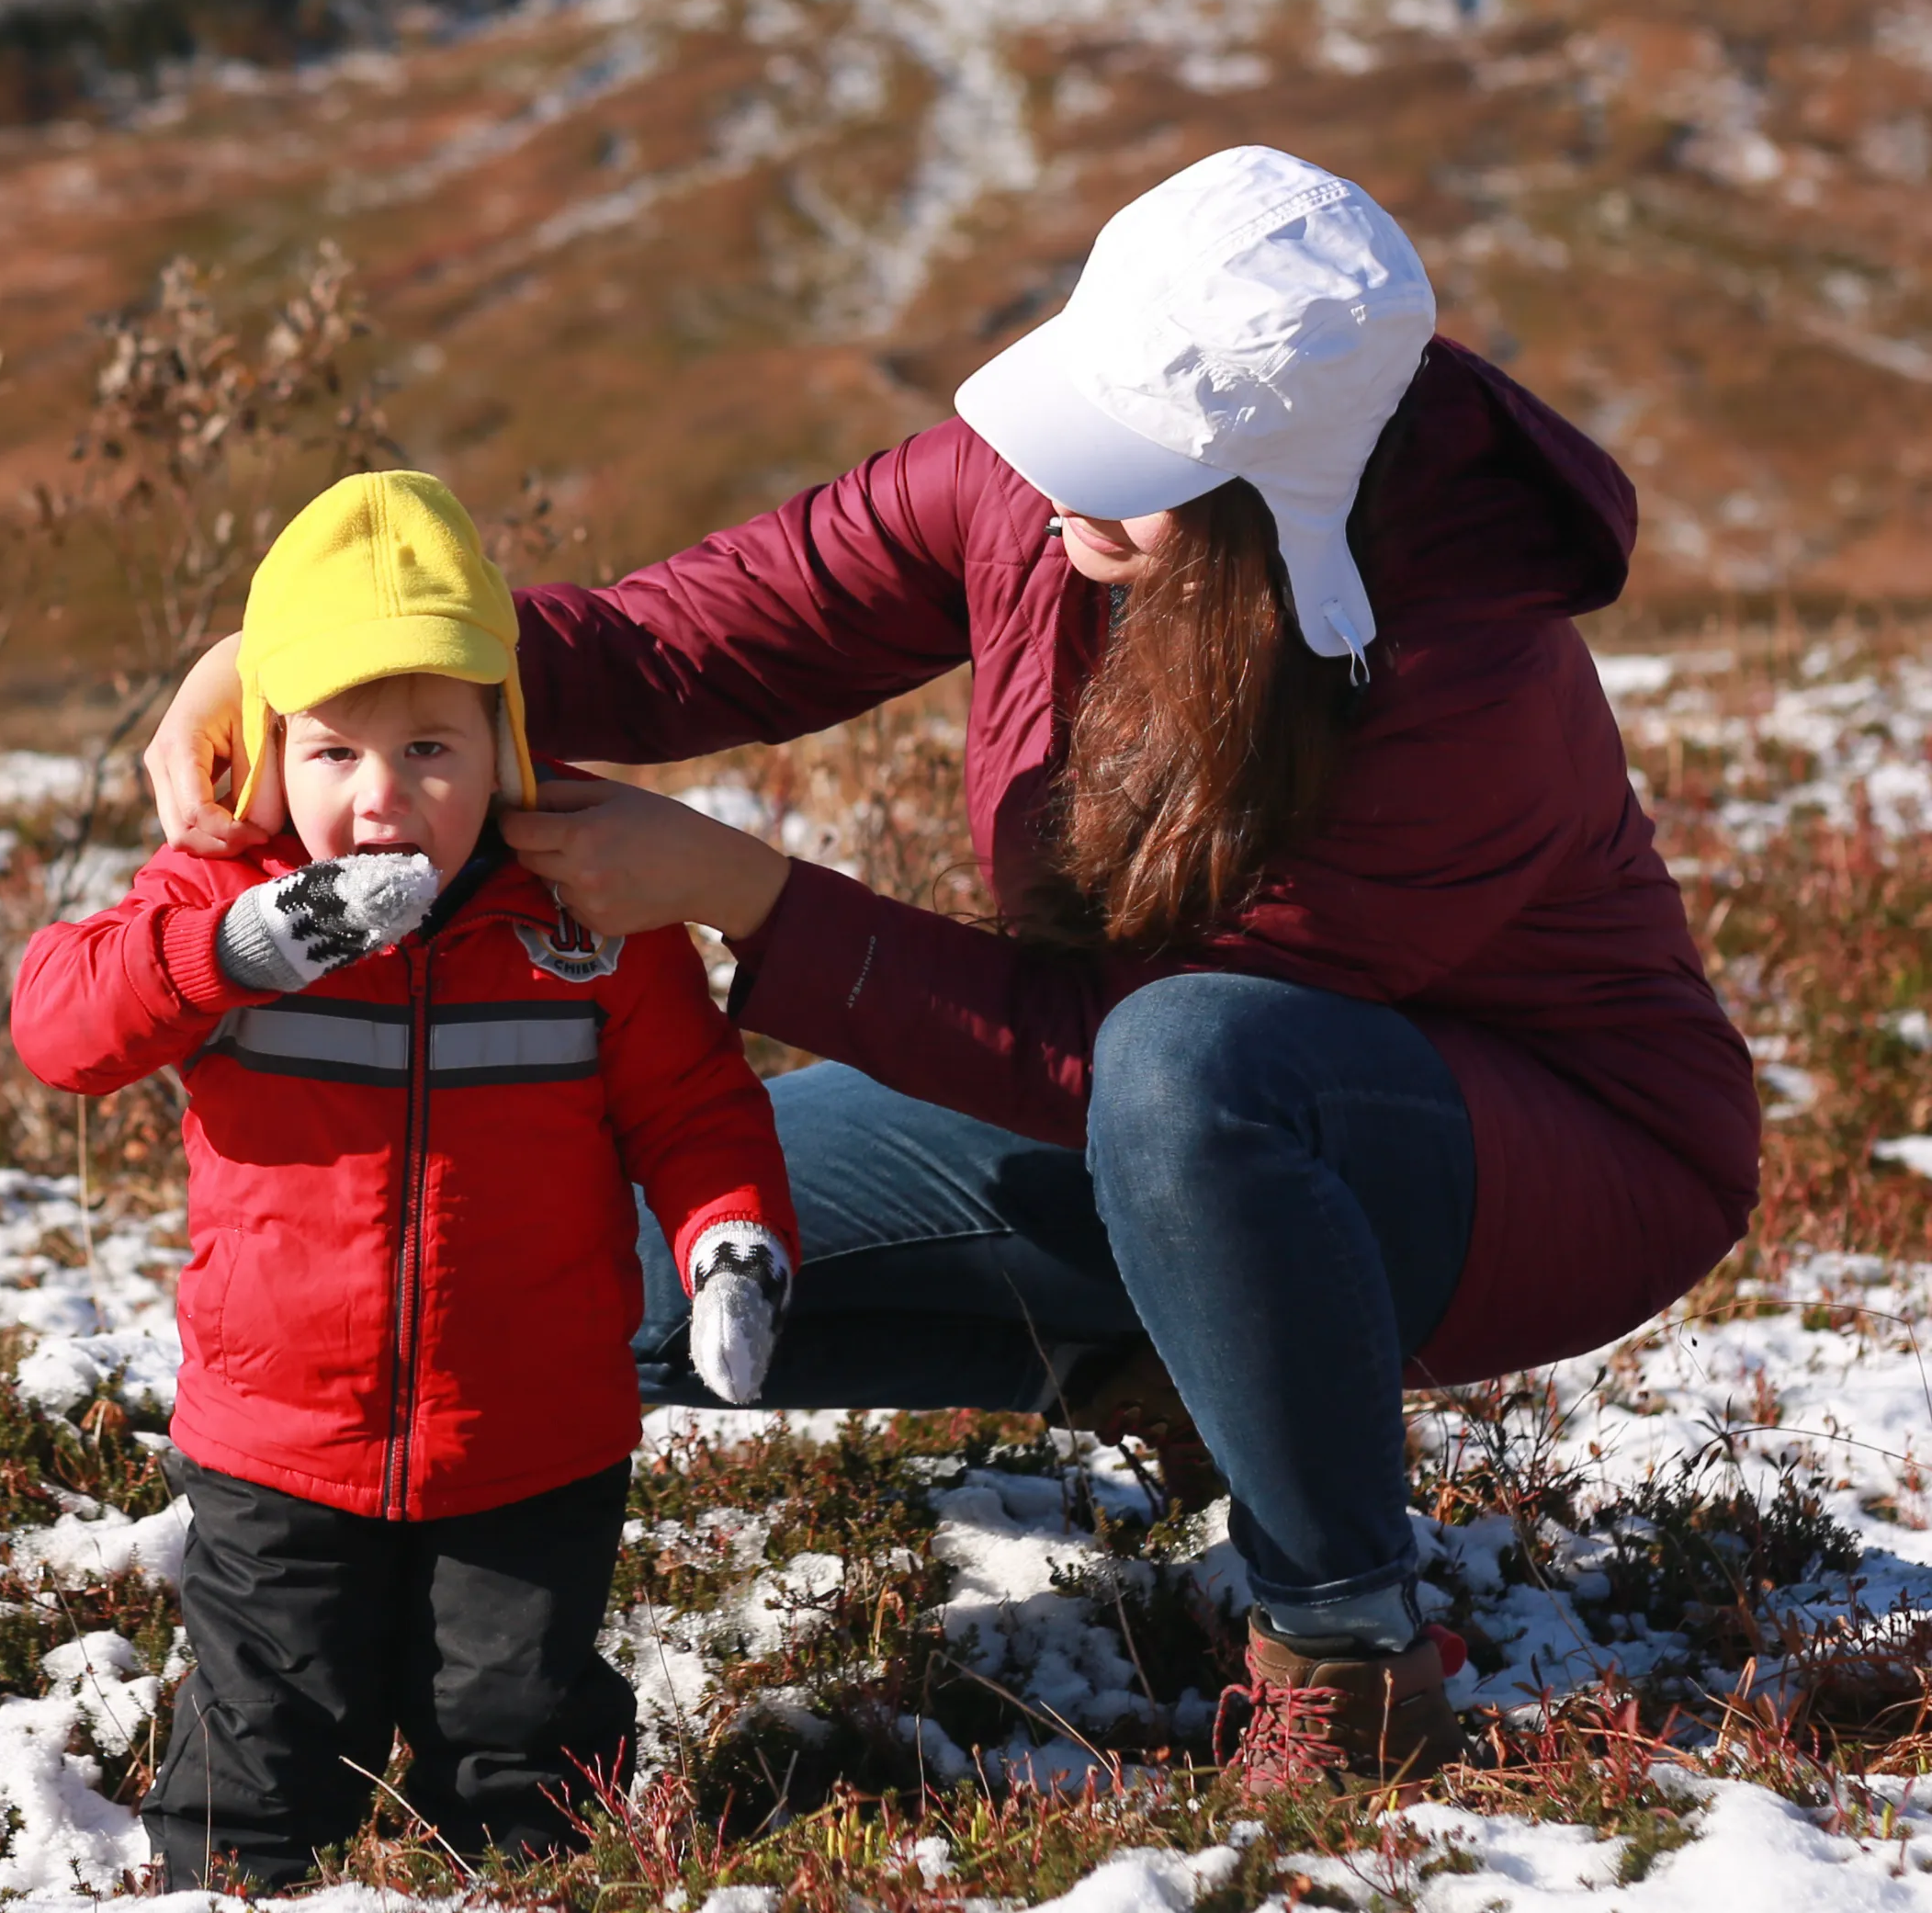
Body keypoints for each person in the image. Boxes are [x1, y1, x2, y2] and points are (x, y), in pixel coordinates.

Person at [141, 148, 1760, 1783]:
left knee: (1194, 1070)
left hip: (1539, 1153)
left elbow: (1128, 1046)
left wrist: (750, 898)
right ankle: (1206, 1348)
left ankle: (1343, 1636)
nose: (1060, 476)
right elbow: (696, 635)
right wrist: (312, 662)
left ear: (1283, 507)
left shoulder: (1458, 674)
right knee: (604, 1281)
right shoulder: (1041, 489)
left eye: (1124, 457)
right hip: (1157, 1113)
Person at [12, 469, 796, 1886]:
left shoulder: (587, 912)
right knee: (265, 1750)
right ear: (265, 755)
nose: (381, 802)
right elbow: (59, 1025)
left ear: (505, 738)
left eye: (432, 748)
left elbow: (694, 1107)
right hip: (276, 1445)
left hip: (533, 1437)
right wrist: (236, 951)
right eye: (330, 756)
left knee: (522, 1743)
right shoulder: (225, 896)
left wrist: (732, 1242)